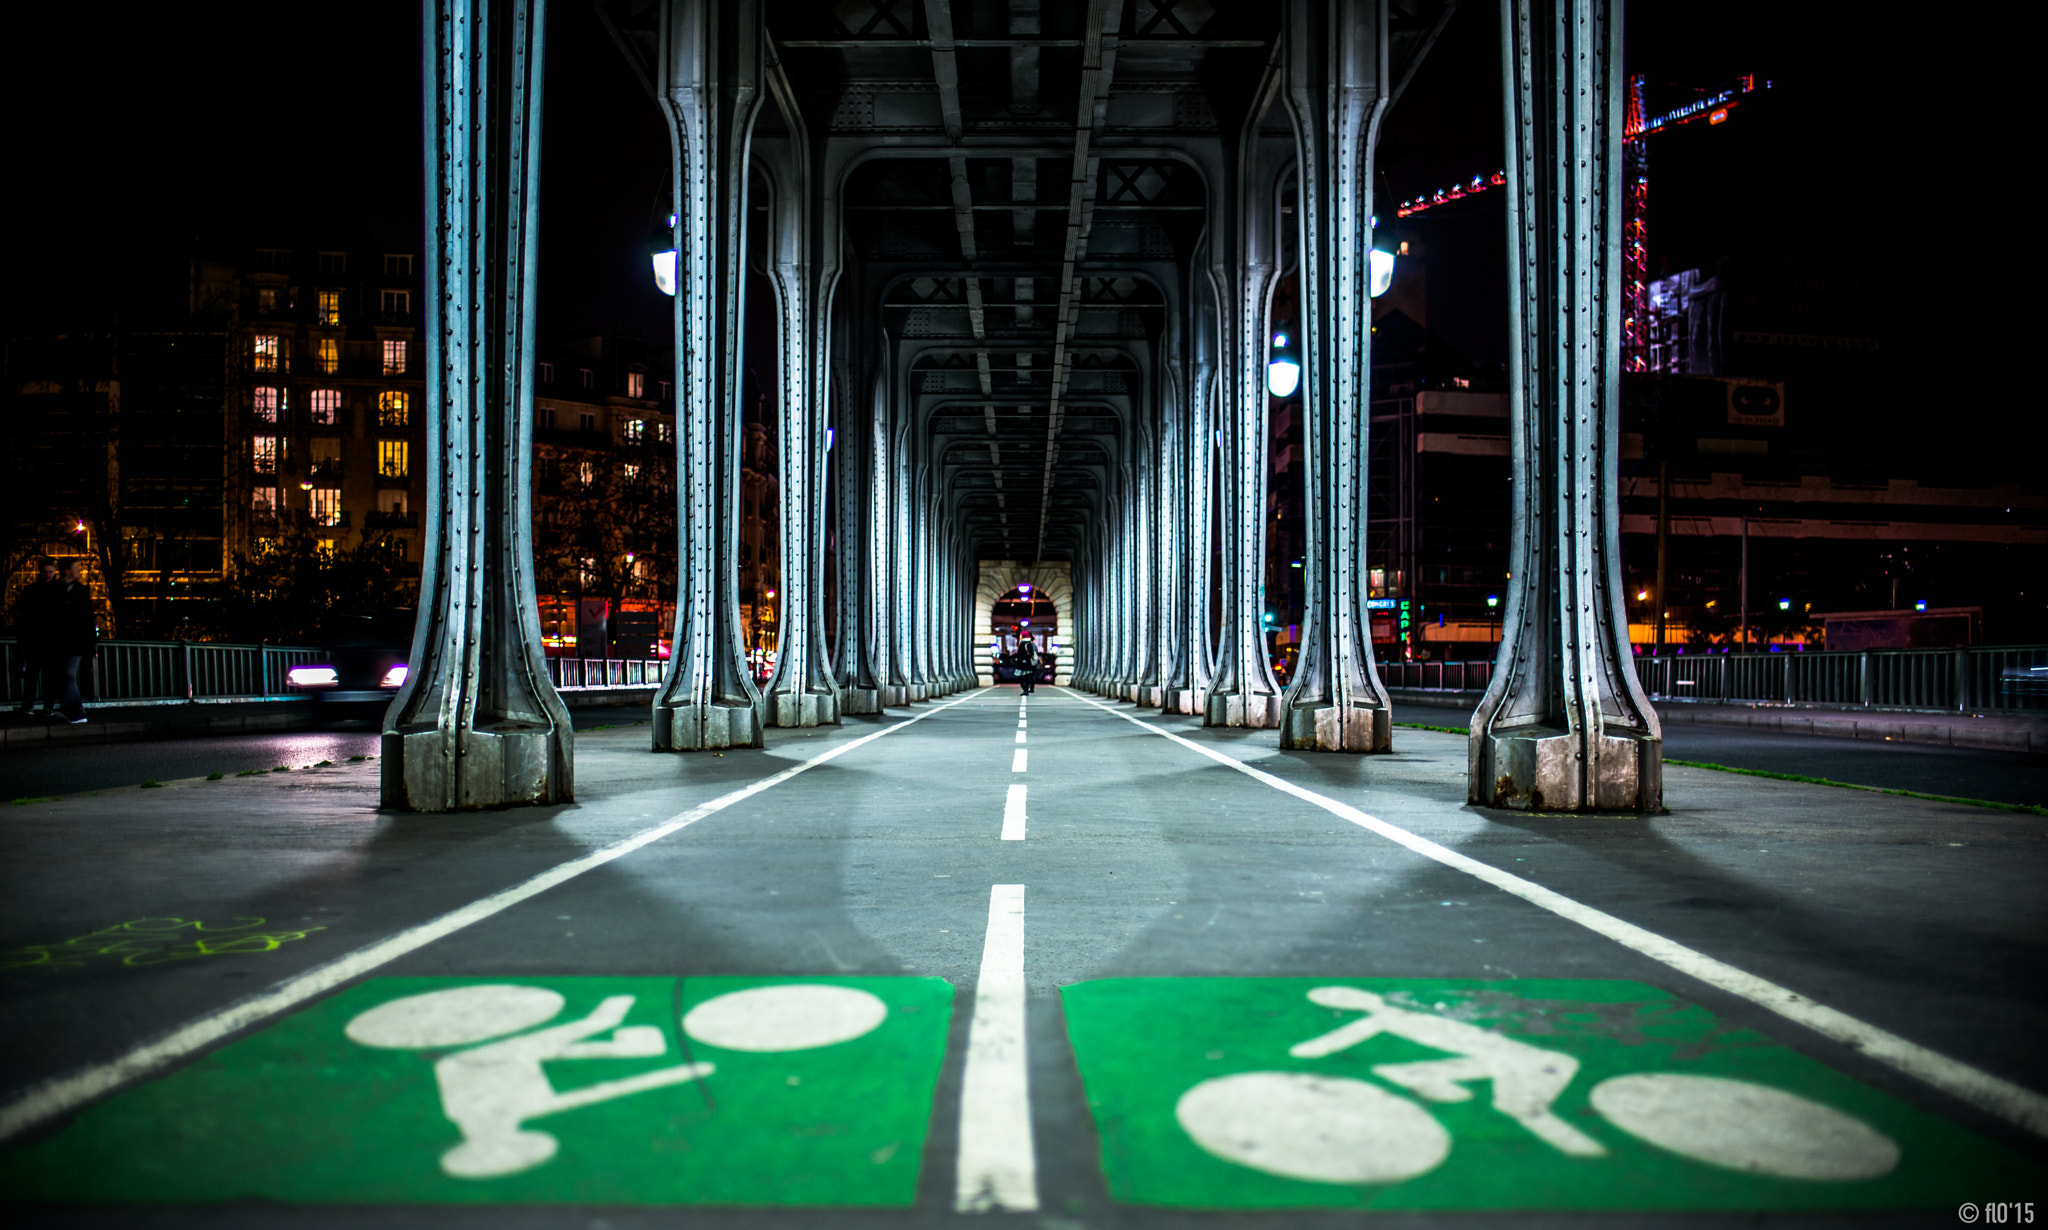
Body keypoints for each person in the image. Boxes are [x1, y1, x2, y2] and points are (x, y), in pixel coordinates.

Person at [42, 559, 94, 724]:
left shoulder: (78, 590)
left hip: (73, 642)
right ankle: (71, 709)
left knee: (66, 674)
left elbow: (88, 619)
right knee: (63, 674)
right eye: (76, 568)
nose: (78, 571)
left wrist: (91, 644)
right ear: (67, 571)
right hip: (60, 642)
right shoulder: (56, 589)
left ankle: (76, 711)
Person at [12, 558, 61, 714]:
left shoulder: (32, 590)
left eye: (50, 572)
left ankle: (33, 704)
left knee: (37, 675)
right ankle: (45, 705)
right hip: (43, 639)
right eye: (46, 572)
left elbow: (24, 616)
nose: (47, 575)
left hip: (37, 639)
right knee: (41, 676)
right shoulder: (58, 590)